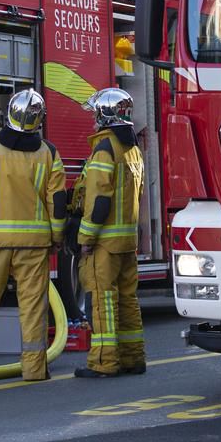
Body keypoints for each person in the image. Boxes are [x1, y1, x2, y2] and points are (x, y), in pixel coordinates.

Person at [0, 89, 66, 381]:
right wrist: (56, 238)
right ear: (39, 120)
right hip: (34, 244)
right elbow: (58, 203)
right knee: (33, 307)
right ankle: (34, 369)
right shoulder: (49, 153)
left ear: (9, 116)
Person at [74, 87, 146, 378]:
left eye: (95, 113)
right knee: (128, 300)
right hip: (127, 240)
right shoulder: (133, 148)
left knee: (103, 301)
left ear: (105, 115)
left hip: (104, 243)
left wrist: (86, 238)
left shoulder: (104, 148)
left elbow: (100, 199)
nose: (93, 119)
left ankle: (103, 362)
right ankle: (132, 358)